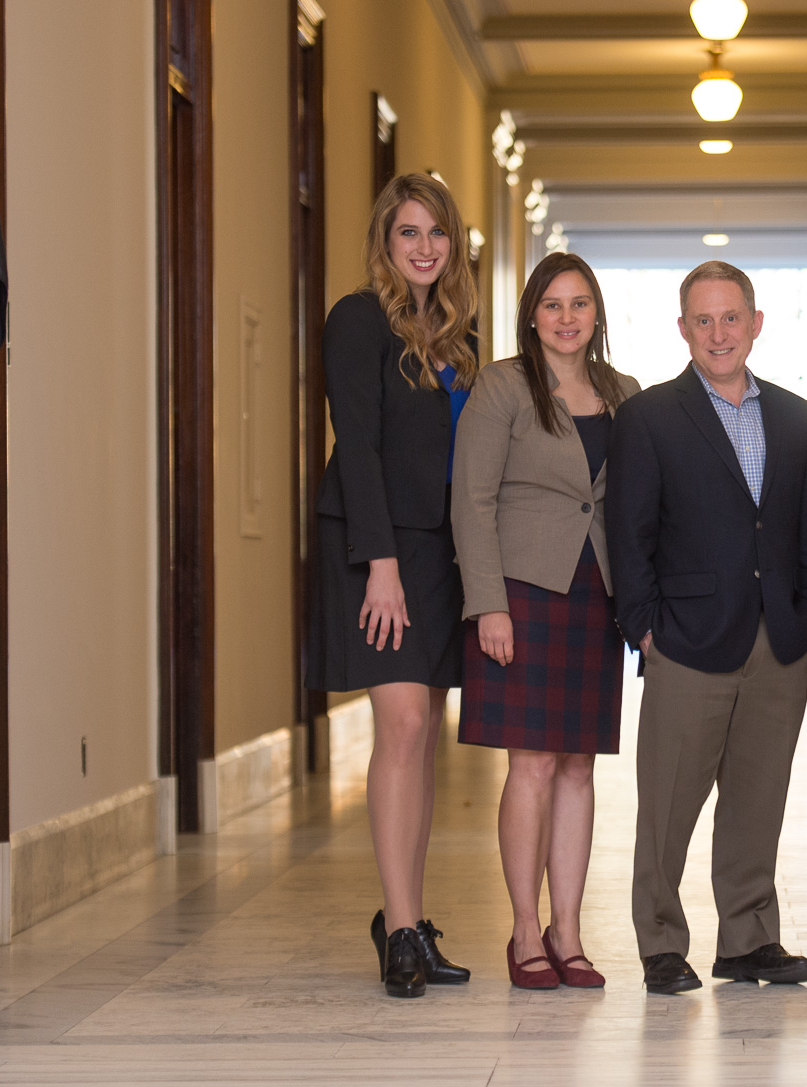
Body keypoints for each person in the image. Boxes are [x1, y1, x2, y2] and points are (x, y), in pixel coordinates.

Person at [606, 260, 807, 995]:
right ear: (682, 329)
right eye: (702, 320)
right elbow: (628, 534)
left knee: (758, 800)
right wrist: (645, 630)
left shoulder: (796, 416)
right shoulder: (648, 417)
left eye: (731, 317)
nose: (718, 332)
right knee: (668, 804)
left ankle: (748, 940)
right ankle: (661, 944)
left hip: (779, 642)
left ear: (756, 323)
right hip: (685, 641)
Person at [307, 172, 477, 998]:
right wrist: (380, 564)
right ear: (385, 239)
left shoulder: (458, 337)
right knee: (403, 721)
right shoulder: (357, 318)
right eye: (409, 231)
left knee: (422, 733)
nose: (424, 247)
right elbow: (359, 443)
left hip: (442, 553)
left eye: (437, 232)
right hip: (380, 548)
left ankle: (408, 918)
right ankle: (401, 928)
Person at [452, 253, 639, 990]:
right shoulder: (501, 386)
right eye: (553, 304)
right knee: (530, 763)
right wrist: (487, 603)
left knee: (578, 765)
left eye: (580, 303)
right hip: (522, 595)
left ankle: (569, 931)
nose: (567, 317)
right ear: (531, 314)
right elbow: (472, 500)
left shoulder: (624, 393)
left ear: (597, 314)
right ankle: (526, 931)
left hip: (597, 595)